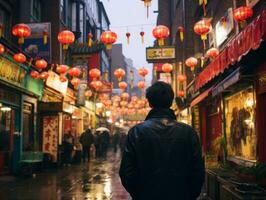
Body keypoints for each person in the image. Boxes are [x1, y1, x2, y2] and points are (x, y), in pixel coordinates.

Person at [119, 81, 205, 200]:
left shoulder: (136, 132)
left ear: (149, 102)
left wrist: (139, 194)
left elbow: (126, 172)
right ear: (171, 101)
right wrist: (189, 195)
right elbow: (198, 171)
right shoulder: (188, 132)